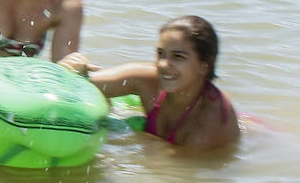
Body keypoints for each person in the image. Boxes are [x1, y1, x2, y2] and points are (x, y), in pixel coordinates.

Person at [88, 16, 240, 150]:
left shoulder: (206, 125)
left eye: (178, 56)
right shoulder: (147, 79)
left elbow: (171, 171)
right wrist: (74, 65)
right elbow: (83, 82)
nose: (162, 65)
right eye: (161, 53)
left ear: (203, 66)